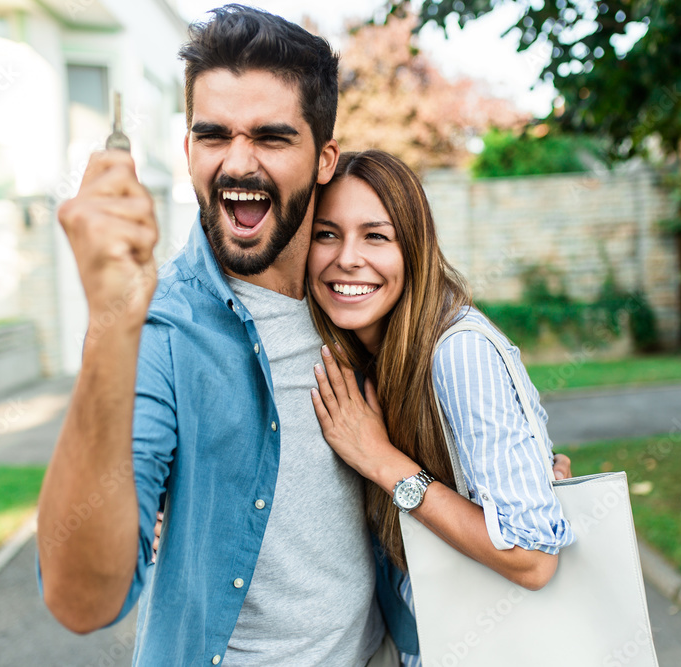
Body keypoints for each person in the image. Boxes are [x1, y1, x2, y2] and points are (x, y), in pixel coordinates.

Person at [37, 6, 397, 665]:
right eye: (213, 136)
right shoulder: (159, 329)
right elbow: (81, 602)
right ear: (187, 151)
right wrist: (110, 327)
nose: (237, 163)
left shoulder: (361, 300)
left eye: (271, 138)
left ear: (324, 159)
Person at [305, 150, 576, 665]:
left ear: (414, 248)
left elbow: (534, 558)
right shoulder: (364, 353)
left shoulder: (457, 351)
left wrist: (382, 461)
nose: (348, 258)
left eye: (375, 236)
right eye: (326, 234)